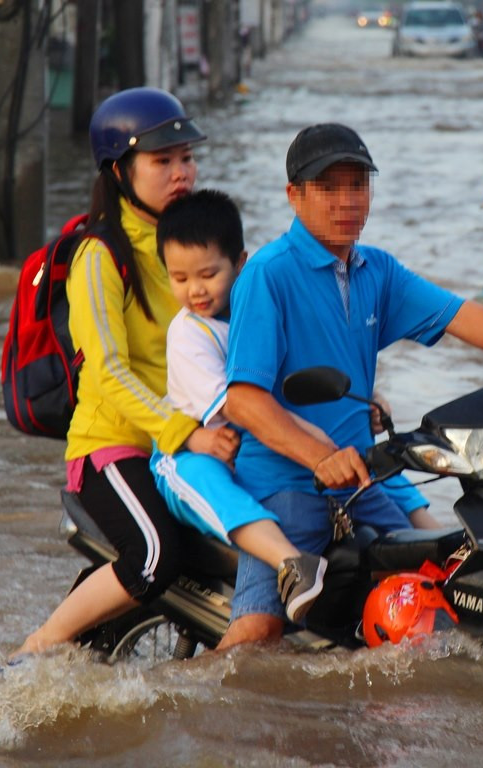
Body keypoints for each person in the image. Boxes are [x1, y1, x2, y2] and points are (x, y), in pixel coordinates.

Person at [219, 122, 483, 648]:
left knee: (451, 580)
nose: (347, 201)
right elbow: (242, 400)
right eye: (328, 188)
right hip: (287, 483)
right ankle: (185, 694)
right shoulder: (268, 274)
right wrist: (318, 457)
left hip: (360, 481)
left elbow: (457, 314)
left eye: (358, 185)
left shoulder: (375, 270)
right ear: (294, 195)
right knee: (258, 634)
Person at [12, 87, 217, 658]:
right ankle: (37, 648)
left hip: (180, 445)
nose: (181, 172)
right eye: (162, 161)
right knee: (153, 556)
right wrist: (184, 431)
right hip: (114, 447)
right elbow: (108, 373)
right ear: (120, 171)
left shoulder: (194, 245)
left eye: (187, 158)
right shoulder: (99, 256)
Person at [148, 189, 327, 629]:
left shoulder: (254, 312)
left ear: (240, 263)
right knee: (216, 489)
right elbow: (238, 406)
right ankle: (290, 562)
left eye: (208, 274)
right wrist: (315, 441)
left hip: (248, 446)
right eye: (179, 278)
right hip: (184, 453)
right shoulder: (188, 333)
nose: (195, 290)